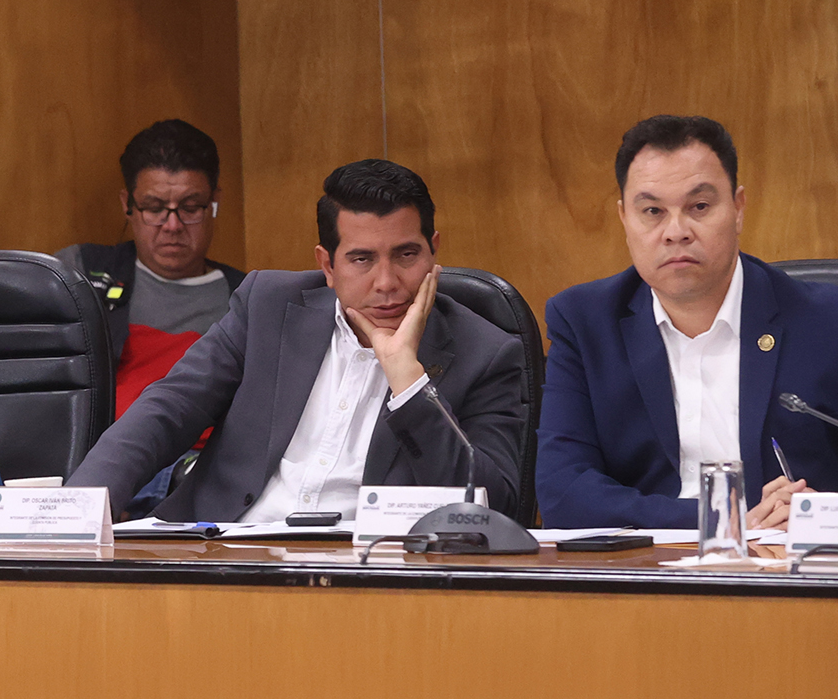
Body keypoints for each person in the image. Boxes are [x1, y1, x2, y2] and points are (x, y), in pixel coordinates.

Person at [537, 115, 838, 532]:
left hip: (794, 580)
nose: (676, 231)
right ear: (624, 218)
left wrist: (825, 518)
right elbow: (562, 494)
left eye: (699, 206)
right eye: (652, 212)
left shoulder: (833, 327)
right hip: (644, 579)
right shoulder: (585, 322)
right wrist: (729, 519)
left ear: (737, 208)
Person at [70, 159, 526, 524]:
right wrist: (79, 509)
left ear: (433, 251)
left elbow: (493, 505)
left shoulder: (486, 353)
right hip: (228, 550)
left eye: (406, 255)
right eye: (362, 259)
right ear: (328, 265)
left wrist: (409, 382)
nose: (387, 282)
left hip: (369, 573)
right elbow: (168, 410)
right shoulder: (269, 306)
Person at [55, 119, 246, 418]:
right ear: (127, 205)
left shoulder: (246, 300)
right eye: (155, 208)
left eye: (190, 208)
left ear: (214, 203)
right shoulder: (77, 274)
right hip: (96, 442)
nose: (172, 225)